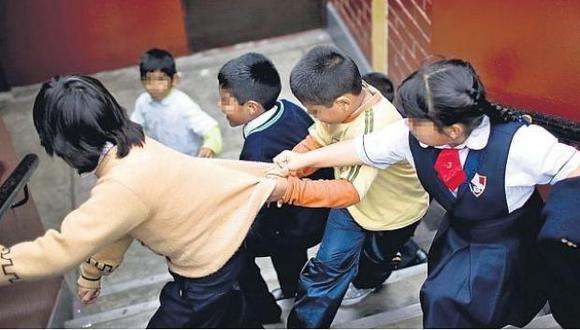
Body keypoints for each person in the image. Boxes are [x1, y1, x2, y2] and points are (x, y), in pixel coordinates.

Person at [272, 58, 580, 328]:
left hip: (505, 241)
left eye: (415, 120)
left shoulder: (520, 144)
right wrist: (303, 160)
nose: (405, 124)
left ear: (454, 130)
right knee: (441, 296)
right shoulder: (410, 135)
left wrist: (561, 221)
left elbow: (574, 165)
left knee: (450, 302)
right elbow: (361, 149)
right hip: (458, 234)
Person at [0, 74, 288, 328]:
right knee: (230, 316)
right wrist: (92, 273)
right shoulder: (135, 146)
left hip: (208, 271)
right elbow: (122, 223)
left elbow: (61, 249)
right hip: (229, 245)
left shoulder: (121, 184)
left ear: (62, 143)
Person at [271, 46, 429, 328]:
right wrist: (293, 168)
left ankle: (369, 278)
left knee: (375, 264)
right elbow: (318, 140)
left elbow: (348, 189)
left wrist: (290, 191)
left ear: (343, 103)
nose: (313, 116)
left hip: (392, 214)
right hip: (351, 210)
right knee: (325, 270)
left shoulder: (372, 126)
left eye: (315, 111)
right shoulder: (348, 95)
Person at [217, 52, 333, 323]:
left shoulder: (256, 148)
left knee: (231, 249)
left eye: (225, 101)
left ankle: (263, 308)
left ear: (252, 108)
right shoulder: (289, 108)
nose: (220, 106)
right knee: (287, 254)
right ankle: (293, 290)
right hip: (314, 210)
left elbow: (257, 200)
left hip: (295, 224)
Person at [131, 48, 223, 158]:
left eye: (160, 79)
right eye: (148, 79)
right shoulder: (143, 102)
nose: (154, 85)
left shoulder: (182, 104)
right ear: (141, 80)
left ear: (174, 79)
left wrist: (210, 146)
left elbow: (210, 128)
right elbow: (134, 126)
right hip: (166, 158)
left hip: (192, 159)